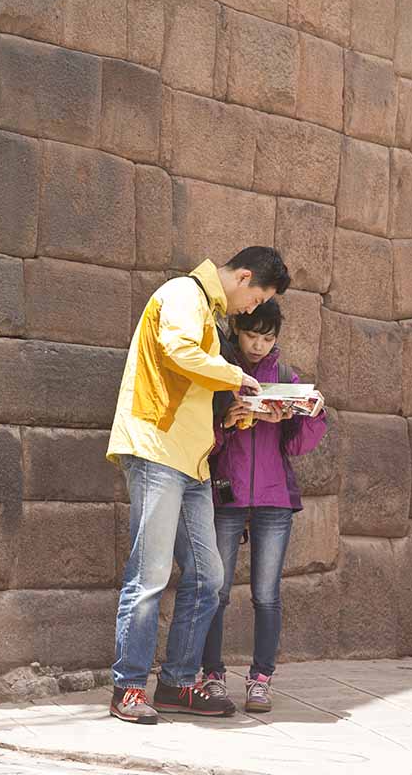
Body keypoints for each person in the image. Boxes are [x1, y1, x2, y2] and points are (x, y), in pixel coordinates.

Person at [106, 247, 291, 724]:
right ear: (244, 277)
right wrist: (238, 378)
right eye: (257, 298)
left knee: (209, 578)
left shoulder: (206, 311)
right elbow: (178, 351)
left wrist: (243, 411)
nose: (252, 309)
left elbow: (193, 389)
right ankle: (128, 688)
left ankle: (176, 684)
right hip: (155, 450)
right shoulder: (183, 294)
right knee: (149, 577)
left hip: (191, 460)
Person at [199, 299, 328, 713]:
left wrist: (311, 413)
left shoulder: (286, 376)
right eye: (252, 334)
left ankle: (261, 679)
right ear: (237, 330)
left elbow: (297, 444)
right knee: (214, 592)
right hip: (228, 495)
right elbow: (206, 446)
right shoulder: (220, 375)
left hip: (274, 498)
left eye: (267, 337)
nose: (258, 344)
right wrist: (225, 420)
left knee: (266, 594)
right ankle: (212, 675)